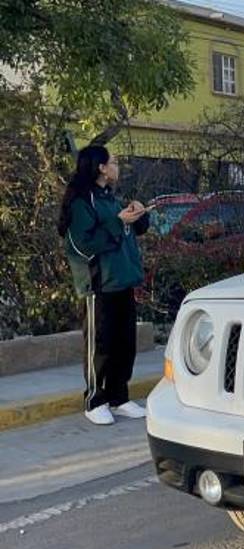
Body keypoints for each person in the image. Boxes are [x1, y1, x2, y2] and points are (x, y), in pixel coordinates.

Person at [59, 145, 151, 425]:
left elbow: (130, 229)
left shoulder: (109, 197)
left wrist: (139, 214)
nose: (117, 166)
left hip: (122, 282)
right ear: (101, 167)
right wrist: (116, 221)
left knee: (125, 345)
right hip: (99, 285)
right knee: (100, 345)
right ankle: (95, 400)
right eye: (114, 162)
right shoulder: (82, 202)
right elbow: (82, 245)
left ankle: (119, 397)